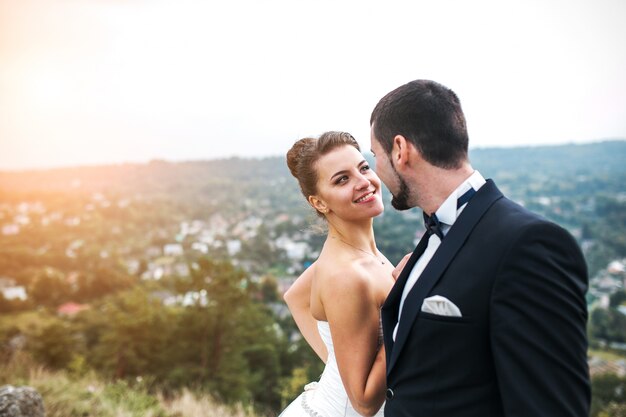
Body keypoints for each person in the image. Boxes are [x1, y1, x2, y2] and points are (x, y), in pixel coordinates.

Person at [369, 79, 590, 417]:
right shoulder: (433, 236)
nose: (376, 170)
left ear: (400, 150)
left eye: (375, 156)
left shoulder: (528, 245)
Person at [280, 131, 395, 417]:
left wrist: (339, 363)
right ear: (319, 202)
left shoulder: (349, 252)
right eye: (342, 179)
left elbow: (295, 297)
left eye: (363, 168)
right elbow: (364, 402)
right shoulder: (346, 275)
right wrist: (407, 312)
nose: (363, 182)